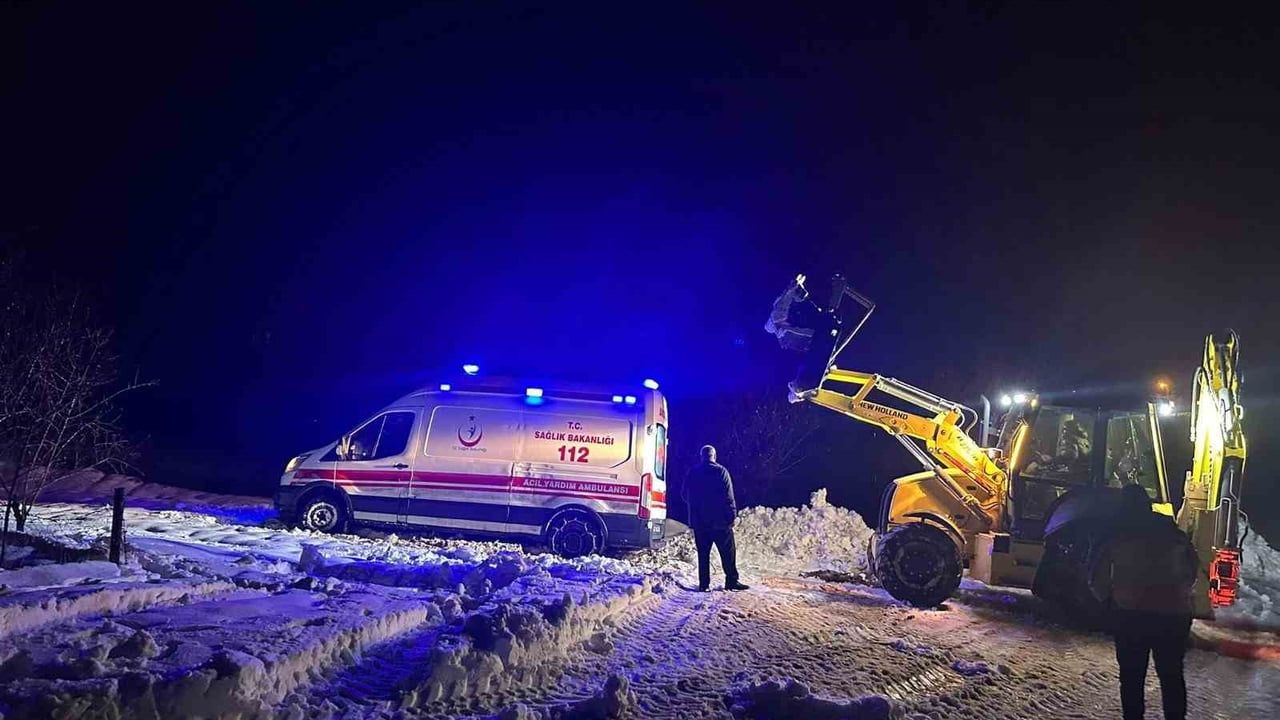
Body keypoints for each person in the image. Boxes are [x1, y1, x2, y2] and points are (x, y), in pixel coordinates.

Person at [1089, 484, 1199, 720]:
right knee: (1171, 677)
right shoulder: (1173, 533)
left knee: (1132, 679)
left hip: (1131, 616)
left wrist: (1108, 602)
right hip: (1173, 618)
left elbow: (1096, 577)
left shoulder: (1116, 534)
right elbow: (1192, 570)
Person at [682, 445, 749, 592]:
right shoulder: (721, 472)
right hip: (720, 522)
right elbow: (729, 496)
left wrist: (696, 507)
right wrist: (731, 516)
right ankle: (731, 580)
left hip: (700, 521)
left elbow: (684, 494)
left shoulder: (693, 472)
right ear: (714, 456)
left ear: (702, 456)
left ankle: (704, 584)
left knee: (703, 554)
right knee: (728, 553)